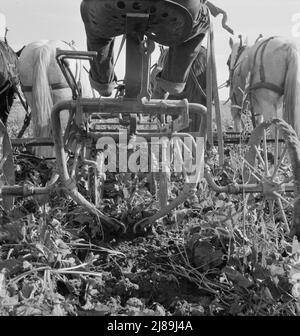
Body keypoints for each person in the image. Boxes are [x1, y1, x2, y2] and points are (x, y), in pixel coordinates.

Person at [80, 0, 233, 98]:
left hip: (108, 6)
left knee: (96, 26)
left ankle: (103, 82)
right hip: (174, 7)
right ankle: (172, 82)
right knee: (201, 21)